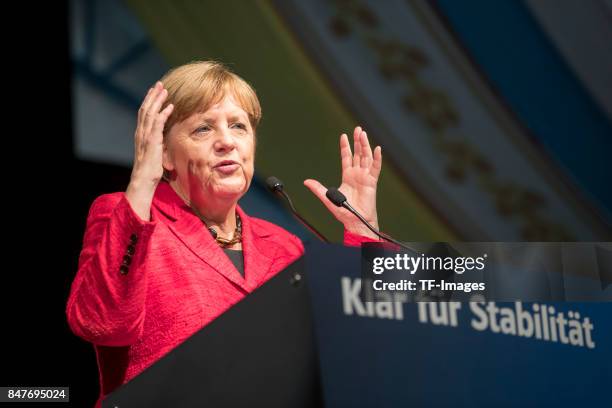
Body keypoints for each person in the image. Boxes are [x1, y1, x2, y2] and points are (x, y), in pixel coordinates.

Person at [66, 61, 383, 406]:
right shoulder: (125, 215)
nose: (227, 142)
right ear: (165, 153)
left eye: (238, 126)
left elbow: (355, 351)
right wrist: (142, 182)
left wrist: (361, 230)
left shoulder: (282, 246)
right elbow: (103, 325)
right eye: (203, 129)